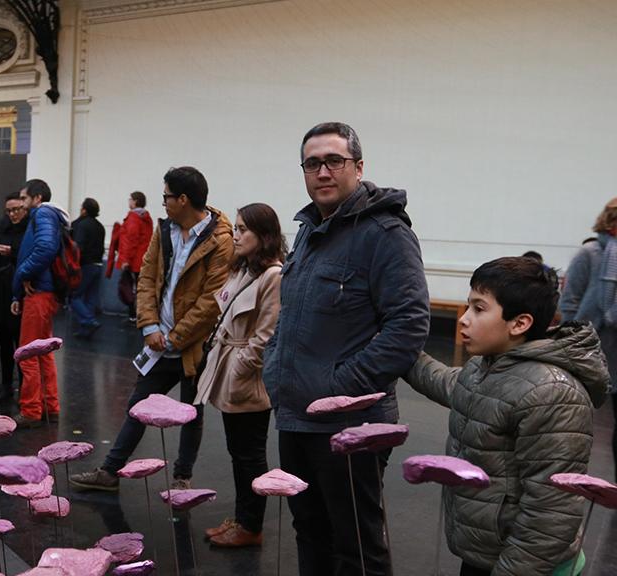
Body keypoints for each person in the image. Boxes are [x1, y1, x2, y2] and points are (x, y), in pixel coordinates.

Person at [261, 122, 430, 576]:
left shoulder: (385, 234)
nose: (322, 171)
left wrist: (340, 386)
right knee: (309, 530)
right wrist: (275, 367)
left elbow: (409, 327)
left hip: (350, 422)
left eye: (333, 161)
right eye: (312, 163)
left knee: (356, 543)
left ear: (358, 167)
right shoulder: (309, 231)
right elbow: (290, 311)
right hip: (296, 415)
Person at [406, 257, 606, 576]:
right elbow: (445, 382)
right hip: (487, 552)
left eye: (479, 308)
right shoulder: (486, 367)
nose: (464, 319)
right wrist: (400, 348)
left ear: (519, 323)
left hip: (526, 565)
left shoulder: (552, 394)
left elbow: (550, 514)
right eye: (467, 306)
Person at [70, 166, 233, 490]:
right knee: (138, 405)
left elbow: (211, 302)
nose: (164, 203)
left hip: (193, 346)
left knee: (192, 412)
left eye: (167, 197)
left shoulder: (221, 241)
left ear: (183, 199)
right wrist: (149, 327)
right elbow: (146, 278)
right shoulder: (165, 230)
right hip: (158, 341)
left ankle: (182, 478)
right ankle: (110, 472)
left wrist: (173, 338)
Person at [193, 203, 284, 548]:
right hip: (229, 366)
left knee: (250, 455)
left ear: (264, 235)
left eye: (245, 229)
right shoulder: (245, 269)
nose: (237, 233)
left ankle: (251, 526)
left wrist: (243, 367)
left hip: (248, 378)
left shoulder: (273, 275)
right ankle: (243, 517)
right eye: (238, 227)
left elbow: (267, 334)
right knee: (238, 452)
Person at [559, 197, 617, 478]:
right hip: (589, 350)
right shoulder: (591, 253)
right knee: (573, 422)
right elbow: (569, 302)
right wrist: (576, 340)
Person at [9, 179, 70, 428]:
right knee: (43, 353)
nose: (21, 204)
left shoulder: (42, 213)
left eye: (24, 199)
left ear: (36, 198)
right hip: (46, 293)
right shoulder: (49, 216)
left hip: (39, 294)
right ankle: (50, 406)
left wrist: (23, 273)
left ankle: (31, 410)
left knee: (28, 353)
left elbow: (45, 247)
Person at [0, 192, 29, 405]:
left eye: (17, 209)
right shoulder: (4, 226)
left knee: (22, 342)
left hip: (21, 289)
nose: (13, 214)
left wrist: (12, 252)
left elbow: (31, 255)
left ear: (25, 208)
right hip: (2, 288)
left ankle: (25, 386)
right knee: (3, 341)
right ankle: (6, 385)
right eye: (9, 210)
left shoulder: (30, 227)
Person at [107, 191, 153, 323]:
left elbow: (130, 240)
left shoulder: (133, 217)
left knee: (129, 288)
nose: (129, 202)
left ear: (136, 201)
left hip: (133, 261)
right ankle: (141, 315)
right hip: (143, 259)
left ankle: (134, 316)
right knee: (141, 289)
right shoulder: (146, 217)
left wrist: (126, 260)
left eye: (130, 199)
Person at [71, 197, 106, 337]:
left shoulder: (82, 225)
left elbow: (78, 246)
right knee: (91, 297)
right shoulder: (100, 226)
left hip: (86, 265)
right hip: (98, 264)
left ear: (84, 210)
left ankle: (89, 320)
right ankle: (85, 330)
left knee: (74, 296)